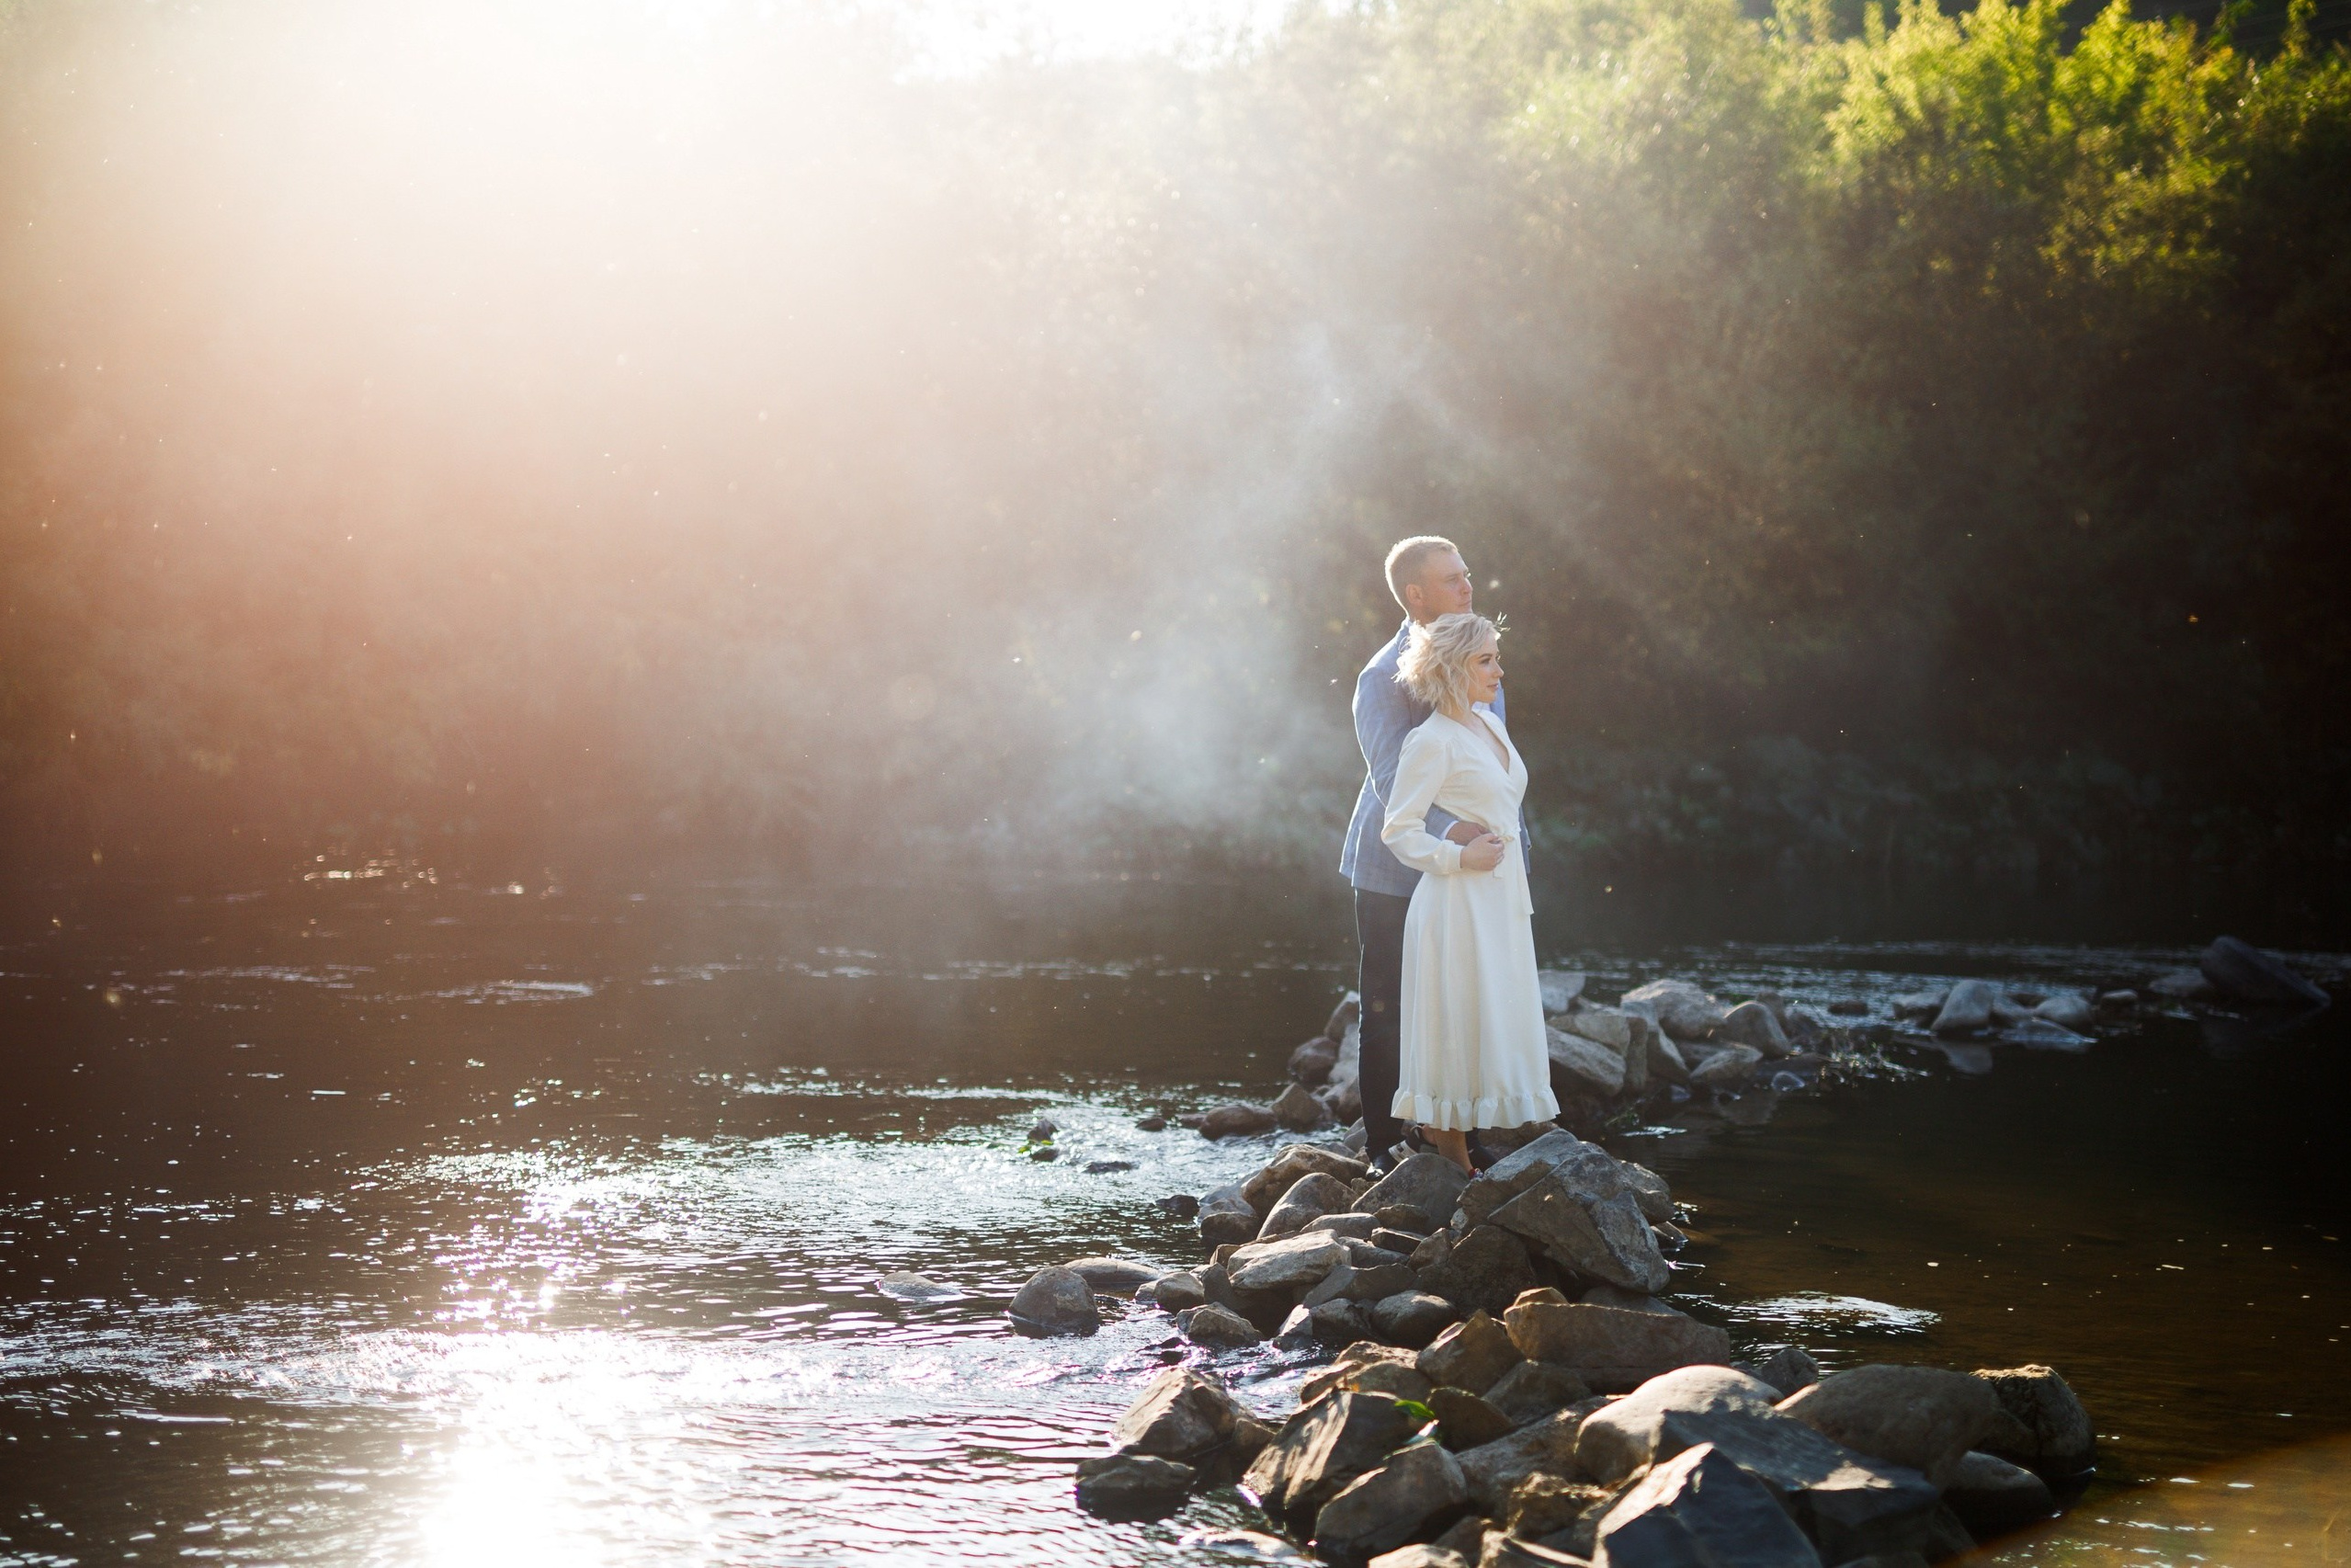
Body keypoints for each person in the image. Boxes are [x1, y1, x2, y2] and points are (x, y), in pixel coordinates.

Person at [1339, 536, 1527, 1170]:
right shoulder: (1381, 676)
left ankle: (1456, 1134)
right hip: (1396, 869)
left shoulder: (1478, 651)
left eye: (1467, 574)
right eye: (1451, 579)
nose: (1467, 586)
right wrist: (1461, 835)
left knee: (1464, 997)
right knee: (1389, 1004)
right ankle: (1382, 1145)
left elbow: (1489, 756)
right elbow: (1394, 779)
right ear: (1416, 594)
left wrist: (1511, 847)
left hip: (1478, 872)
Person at [1379, 610, 1557, 1174]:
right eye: (1486, 660)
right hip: (1456, 901)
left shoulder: (1489, 724)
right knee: (1456, 1017)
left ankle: (1459, 1142)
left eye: (1496, 658)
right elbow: (1398, 830)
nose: (1499, 670)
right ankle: (1450, 1152)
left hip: (1500, 898)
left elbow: (1497, 804)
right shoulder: (1430, 741)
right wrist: (1458, 854)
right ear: (1453, 667)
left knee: (1489, 1013)